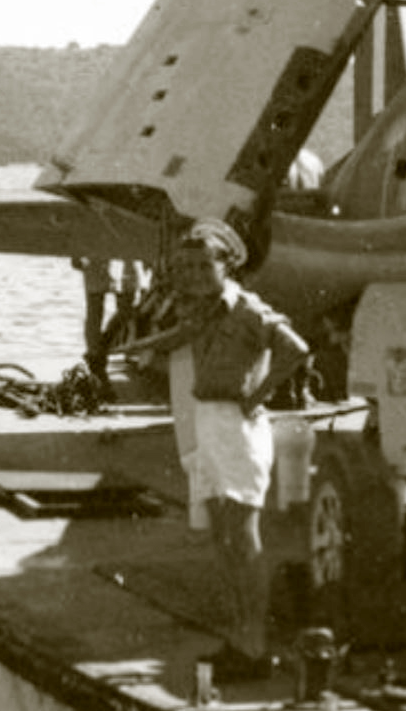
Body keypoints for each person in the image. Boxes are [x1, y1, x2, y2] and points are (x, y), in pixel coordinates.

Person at [132, 220, 311, 675]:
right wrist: (131, 347)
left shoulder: (247, 309)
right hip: (208, 421)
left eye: (201, 265)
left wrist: (259, 394)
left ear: (226, 265)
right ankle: (240, 636)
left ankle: (255, 644)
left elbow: (296, 349)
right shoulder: (206, 311)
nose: (191, 274)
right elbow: (182, 337)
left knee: (241, 535)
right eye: (184, 267)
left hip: (236, 425)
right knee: (222, 538)